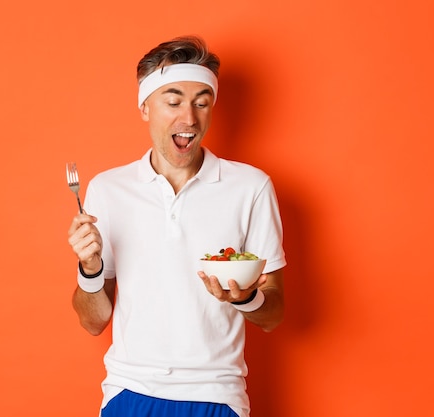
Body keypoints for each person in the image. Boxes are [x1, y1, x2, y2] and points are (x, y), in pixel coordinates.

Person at [67, 35, 286, 417]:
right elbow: (93, 322)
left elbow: (274, 314)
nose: (189, 118)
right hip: (129, 391)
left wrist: (244, 297)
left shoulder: (251, 187)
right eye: (173, 101)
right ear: (145, 108)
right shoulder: (108, 189)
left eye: (202, 103)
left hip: (217, 394)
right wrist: (90, 269)